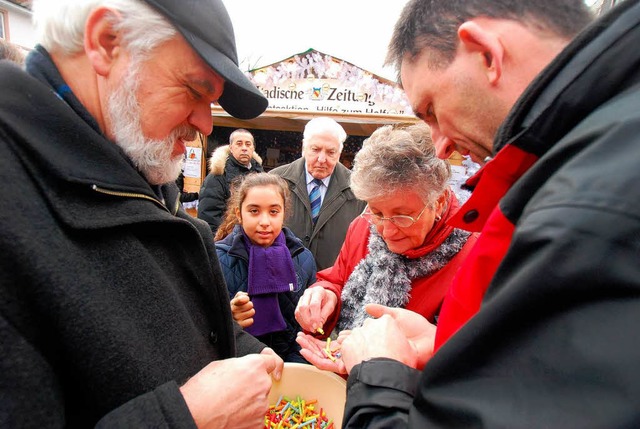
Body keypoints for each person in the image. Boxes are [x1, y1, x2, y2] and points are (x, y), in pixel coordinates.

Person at [336, 0, 640, 427]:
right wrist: (446, 345)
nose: (440, 145)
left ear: (486, 54)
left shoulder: (588, 196)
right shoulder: (588, 158)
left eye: (430, 111)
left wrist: (376, 379)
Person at [0, 0, 284, 427]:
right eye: (194, 89)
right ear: (107, 42)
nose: (206, 125)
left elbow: (160, 326)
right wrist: (186, 417)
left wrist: (241, 349)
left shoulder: (134, 163)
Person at [295, 123, 477, 373]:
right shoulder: (362, 226)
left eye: (403, 216)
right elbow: (338, 278)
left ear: (439, 200)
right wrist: (326, 294)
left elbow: (475, 356)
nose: (386, 231)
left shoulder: (477, 254)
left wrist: (409, 356)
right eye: (377, 212)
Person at [214, 173, 317, 363]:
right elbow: (206, 329)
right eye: (254, 211)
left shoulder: (303, 258)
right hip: (239, 370)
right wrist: (230, 320)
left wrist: (292, 369)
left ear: (284, 213)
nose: (264, 222)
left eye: (273, 211)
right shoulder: (217, 259)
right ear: (239, 213)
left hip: (291, 371)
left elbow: (307, 330)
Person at [270, 117, 366, 270]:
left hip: (332, 287)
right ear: (304, 148)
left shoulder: (359, 190)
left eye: (330, 152)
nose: (322, 159)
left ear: (339, 153)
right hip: (280, 280)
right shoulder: (275, 181)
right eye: (315, 150)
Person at [198, 128, 264, 234]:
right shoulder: (218, 176)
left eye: (248, 144)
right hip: (228, 242)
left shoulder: (261, 175)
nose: (244, 148)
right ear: (231, 148)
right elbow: (209, 216)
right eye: (239, 144)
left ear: (253, 148)